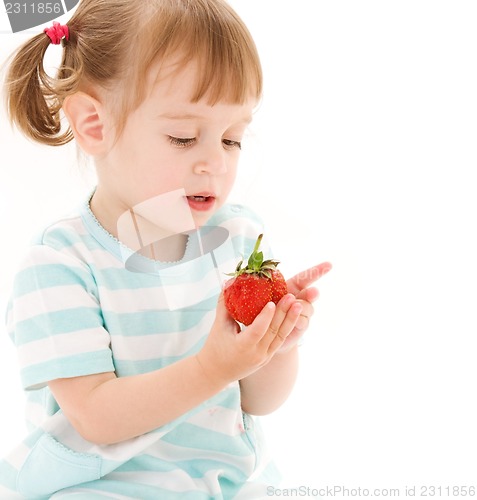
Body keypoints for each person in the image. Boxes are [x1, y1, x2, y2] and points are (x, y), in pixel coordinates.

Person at [0, 0, 331, 498]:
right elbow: (96, 417)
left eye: (232, 139)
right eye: (183, 137)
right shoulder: (59, 266)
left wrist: (273, 346)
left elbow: (259, 403)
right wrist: (212, 367)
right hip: (102, 485)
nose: (215, 163)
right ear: (94, 124)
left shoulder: (238, 241)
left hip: (223, 480)